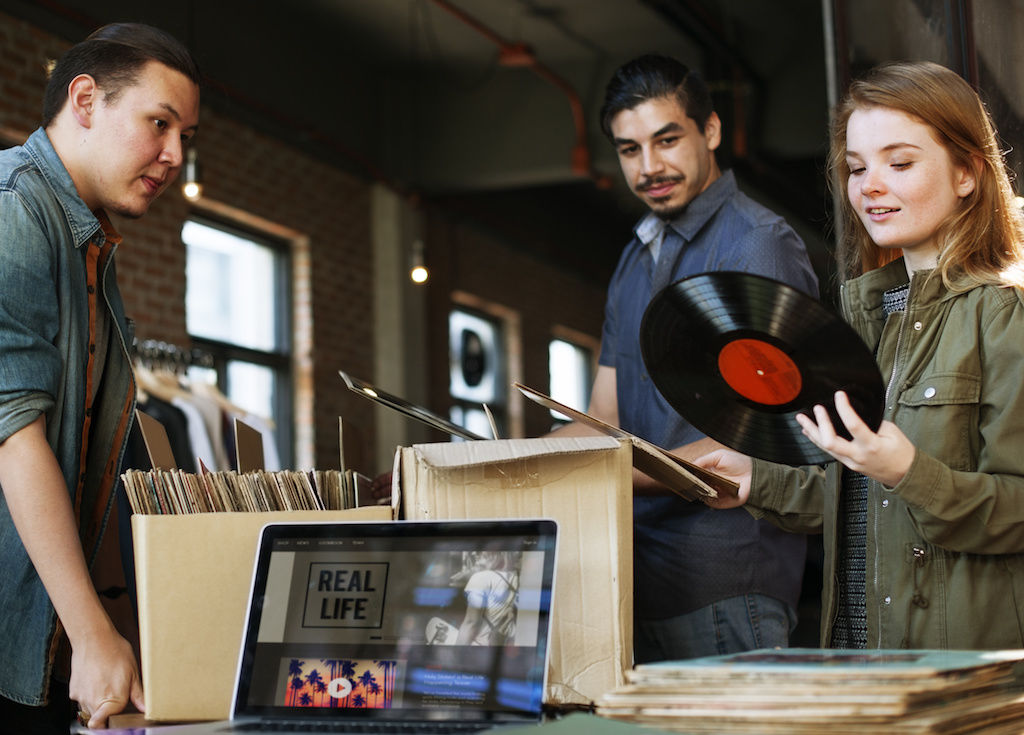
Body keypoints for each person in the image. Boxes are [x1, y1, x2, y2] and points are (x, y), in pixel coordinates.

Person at [697, 60, 1024, 650]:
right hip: (859, 657)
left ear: (968, 173)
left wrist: (907, 472)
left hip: (958, 672)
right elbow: (866, 504)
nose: (869, 185)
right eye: (856, 167)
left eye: (899, 163)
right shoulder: (865, 316)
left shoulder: (1006, 313)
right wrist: (757, 481)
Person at [552, 55, 819, 663]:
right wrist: (496, 460)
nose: (649, 167)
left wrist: (579, 476)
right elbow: (600, 417)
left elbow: (761, 439)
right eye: (629, 150)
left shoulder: (757, 245)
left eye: (667, 140)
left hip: (723, 578)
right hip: (633, 572)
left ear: (712, 132)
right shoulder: (634, 258)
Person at [0, 22, 200, 731]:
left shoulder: (90, 245)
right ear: (85, 99)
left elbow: (89, 462)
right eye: (159, 123)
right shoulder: (15, 208)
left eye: (184, 135)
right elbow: (13, 434)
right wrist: (91, 633)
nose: (174, 155)